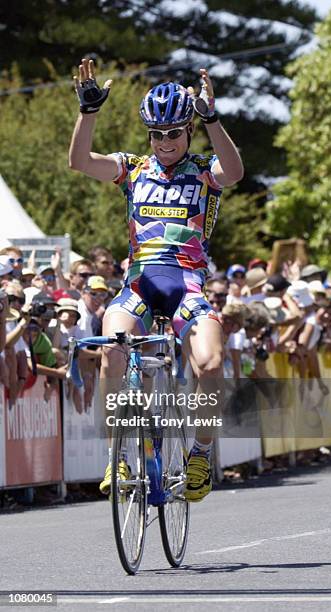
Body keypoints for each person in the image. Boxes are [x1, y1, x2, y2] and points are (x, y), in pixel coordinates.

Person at [69, 58, 244, 502]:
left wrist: (213, 120)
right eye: (156, 134)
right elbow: (79, 162)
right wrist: (88, 114)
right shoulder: (133, 168)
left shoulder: (205, 169)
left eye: (173, 133)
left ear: (187, 130)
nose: (164, 143)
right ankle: (119, 456)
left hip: (187, 285)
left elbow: (236, 171)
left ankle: (200, 453)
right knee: (112, 352)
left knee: (208, 364)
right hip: (139, 285)